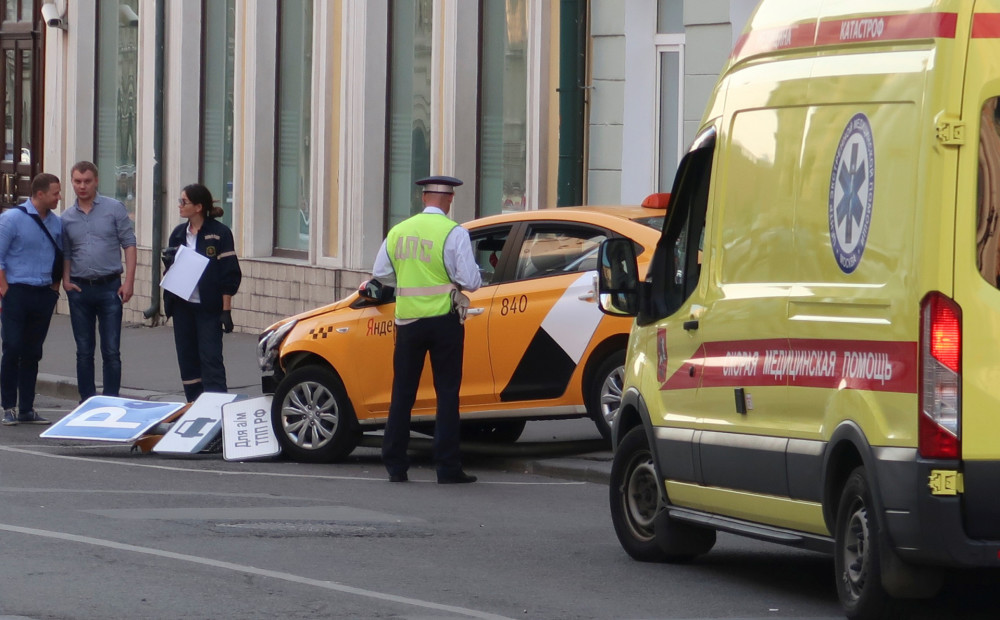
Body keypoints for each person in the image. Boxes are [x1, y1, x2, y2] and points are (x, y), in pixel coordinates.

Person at [371, 175, 482, 484]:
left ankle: (395, 465)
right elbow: (471, 280)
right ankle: (447, 468)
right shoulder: (454, 232)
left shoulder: (398, 232)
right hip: (445, 321)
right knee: (447, 394)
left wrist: (406, 280)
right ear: (448, 200)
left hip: (407, 322)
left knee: (402, 393)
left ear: (423, 198)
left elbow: (381, 274)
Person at [61, 161, 137, 401]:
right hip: (80, 289)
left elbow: (129, 244)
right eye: (77, 181)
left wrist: (129, 282)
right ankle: (87, 402)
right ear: (72, 182)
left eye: (87, 181)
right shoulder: (66, 217)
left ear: (96, 181)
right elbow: (66, 252)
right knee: (84, 351)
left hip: (110, 287)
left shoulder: (114, 209)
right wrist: (66, 281)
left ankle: (111, 400)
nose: (82, 186)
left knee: (111, 350)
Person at [162, 183, 241, 402]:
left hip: (208, 307)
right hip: (182, 307)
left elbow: (229, 273)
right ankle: (193, 407)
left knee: (211, 359)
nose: (179, 205)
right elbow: (171, 271)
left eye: (183, 202)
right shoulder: (178, 234)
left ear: (198, 207)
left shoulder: (219, 233)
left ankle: (216, 411)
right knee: (188, 360)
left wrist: (226, 310)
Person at [0, 173, 63, 426]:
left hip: (43, 293)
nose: (59, 198)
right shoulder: (11, 219)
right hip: (16, 291)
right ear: (40, 194)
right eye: (55, 193)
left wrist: (54, 290)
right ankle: (7, 406)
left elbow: (61, 257)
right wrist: (4, 288)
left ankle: (27, 407)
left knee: (33, 352)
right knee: (12, 346)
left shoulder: (56, 223)